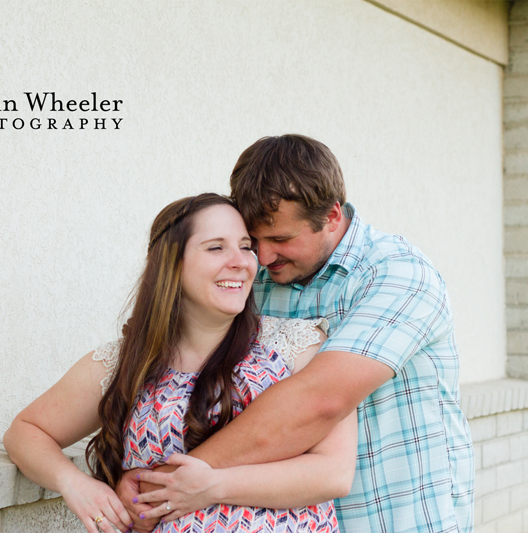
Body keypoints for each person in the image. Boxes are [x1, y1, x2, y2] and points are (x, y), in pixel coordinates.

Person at [120, 135, 475, 533]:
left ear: (332, 217)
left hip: (394, 519)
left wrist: (164, 485)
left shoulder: (398, 275)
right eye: (255, 241)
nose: (263, 257)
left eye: (281, 239)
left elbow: (319, 400)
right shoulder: (256, 277)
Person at [4, 193, 357, 533]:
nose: (241, 260)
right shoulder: (124, 363)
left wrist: (214, 485)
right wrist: (75, 485)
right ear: (172, 263)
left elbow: (333, 474)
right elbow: (26, 432)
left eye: (246, 246)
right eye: (216, 247)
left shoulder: (296, 347)